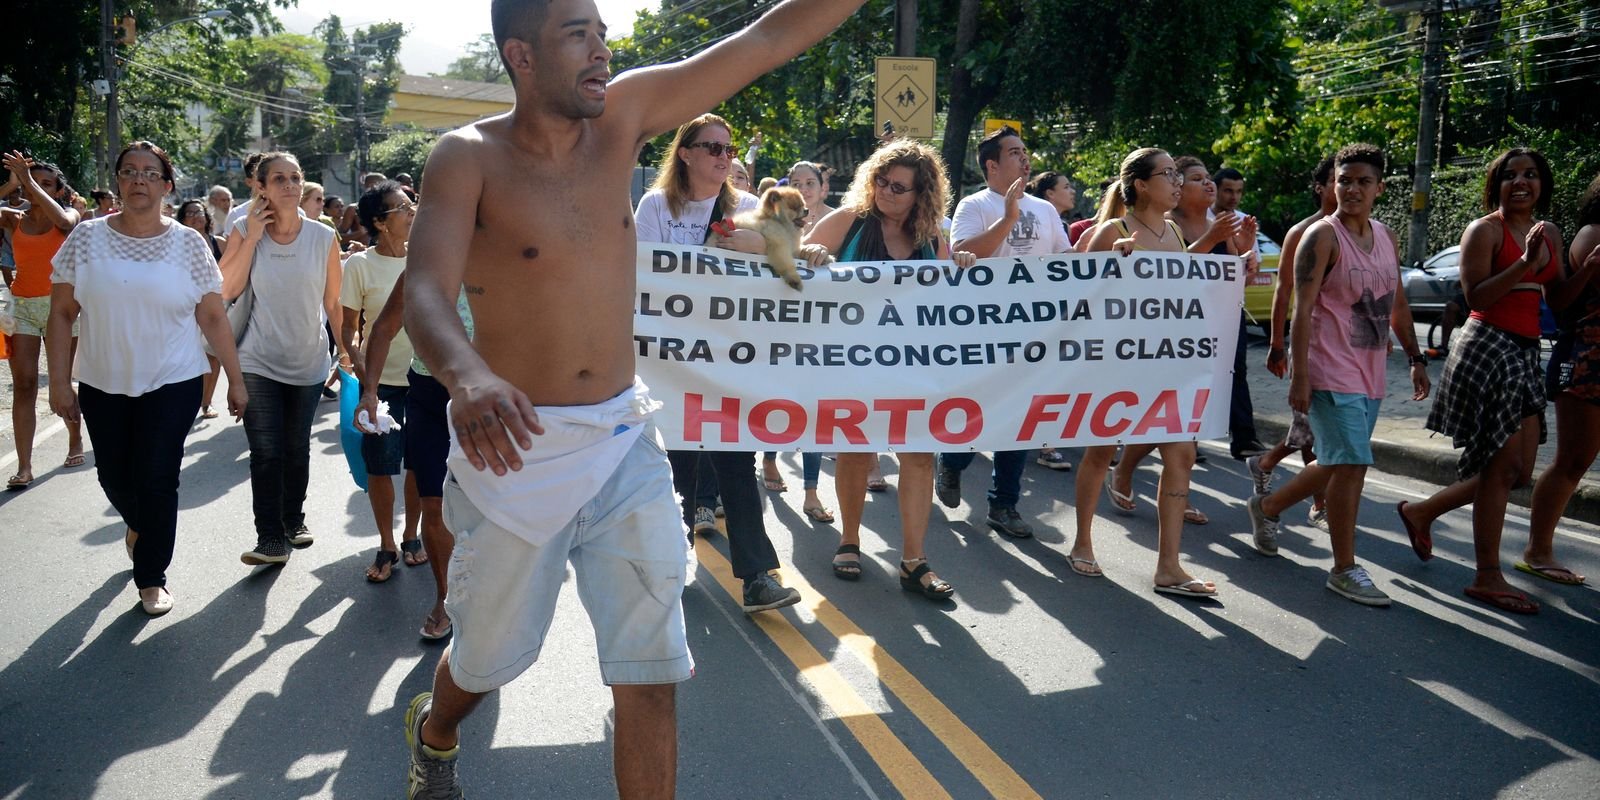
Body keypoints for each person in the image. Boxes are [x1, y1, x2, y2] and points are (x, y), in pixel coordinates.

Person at [398, 0, 870, 795]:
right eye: (576, 34)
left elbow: (770, 36)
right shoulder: (466, 156)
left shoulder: (626, 118)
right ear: (521, 55)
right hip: (513, 448)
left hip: (623, 438)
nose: (601, 50)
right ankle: (435, 729)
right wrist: (467, 375)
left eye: (602, 32)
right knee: (482, 662)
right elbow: (424, 291)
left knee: (652, 672)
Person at [45, 140, 248, 616]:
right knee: (114, 476)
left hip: (173, 381)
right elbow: (60, 313)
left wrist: (235, 381)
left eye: (150, 173)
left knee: (157, 479)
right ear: (117, 181)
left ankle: (151, 576)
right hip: (102, 380)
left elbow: (214, 317)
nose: (139, 180)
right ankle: (138, 524)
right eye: (129, 171)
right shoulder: (87, 238)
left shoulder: (188, 242)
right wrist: (58, 382)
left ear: (166, 185)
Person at [1246, 143, 1429, 607]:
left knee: (1338, 462)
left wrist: (1415, 356)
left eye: (1362, 181)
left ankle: (1268, 506)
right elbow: (1302, 310)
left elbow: (1397, 303)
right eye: (1343, 180)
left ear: (1379, 188)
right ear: (1333, 184)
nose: (1351, 189)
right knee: (1351, 465)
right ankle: (1345, 569)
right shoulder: (1321, 237)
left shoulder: (1385, 235)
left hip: (1369, 368)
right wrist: (1299, 376)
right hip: (1330, 367)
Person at [636, 113, 802, 615]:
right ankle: (670, 562)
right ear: (684, 153)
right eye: (712, 148)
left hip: (732, 353)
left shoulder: (749, 205)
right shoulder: (656, 206)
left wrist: (762, 245)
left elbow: (787, 261)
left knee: (736, 459)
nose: (724, 157)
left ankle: (757, 578)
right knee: (677, 464)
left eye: (728, 150)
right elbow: (642, 273)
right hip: (671, 358)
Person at [1398, 148, 1567, 615]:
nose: (1521, 183)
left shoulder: (1548, 232)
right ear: (1495, 185)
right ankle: (1487, 576)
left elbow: (1563, 295)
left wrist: (1587, 269)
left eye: (1530, 175)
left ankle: (1422, 512)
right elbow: (1479, 295)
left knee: (1517, 471)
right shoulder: (1484, 230)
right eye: (1510, 175)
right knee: (1500, 466)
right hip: (1489, 346)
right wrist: (1525, 264)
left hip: (1527, 352)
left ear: (1541, 184)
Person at [806, 138, 975, 599]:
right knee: (857, 452)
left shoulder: (933, 236)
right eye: (882, 180)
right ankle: (849, 540)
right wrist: (812, 257)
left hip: (915, 368)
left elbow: (949, 296)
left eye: (899, 187)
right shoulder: (848, 222)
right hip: (854, 366)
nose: (887, 191)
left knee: (919, 458)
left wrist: (959, 263)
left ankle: (914, 561)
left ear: (922, 194)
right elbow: (791, 266)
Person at [1071, 148, 1216, 594]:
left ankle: (1169, 566)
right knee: (1100, 453)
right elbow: (1074, 298)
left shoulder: (1173, 232)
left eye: (1178, 174)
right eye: (1168, 174)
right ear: (1140, 185)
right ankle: (1081, 542)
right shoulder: (1109, 232)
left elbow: (1188, 293)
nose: (1177, 181)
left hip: (1165, 364)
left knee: (1182, 455)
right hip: (1114, 365)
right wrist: (1109, 264)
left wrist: (1235, 266)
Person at [935, 126, 1071, 540]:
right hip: (985, 330)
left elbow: (1067, 262)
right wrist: (1009, 218)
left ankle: (1003, 503)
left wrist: (1112, 259)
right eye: (1014, 152)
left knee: (1021, 417)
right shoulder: (974, 205)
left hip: (1035, 329)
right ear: (992, 165)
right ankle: (952, 459)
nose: (1025, 159)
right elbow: (964, 255)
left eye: (1025, 151)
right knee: (982, 409)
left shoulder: (1046, 210)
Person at [217, 151, 343, 566]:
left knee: (297, 447)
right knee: (266, 451)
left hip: (308, 361)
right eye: (279, 179)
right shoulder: (242, 228)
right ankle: (270, 538)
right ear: (261, 187)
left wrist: (345, 349)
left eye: (295, 177)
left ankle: (294, 519)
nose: (289, 185)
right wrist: (252, 236)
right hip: (257, 361)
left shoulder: (323, 237)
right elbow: (226, 290)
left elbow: (334, 303)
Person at [343, 181, 426, 583]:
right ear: (379, 222)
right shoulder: (359, 265)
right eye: (401, 208)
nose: (411, 212)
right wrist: (363, 372)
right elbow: (350, 329)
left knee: (419, 465)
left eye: (412, 205)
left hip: (425, 380)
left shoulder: (428, 258)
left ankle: (412, 535)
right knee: (380, 467)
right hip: (382, 383)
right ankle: (386, 543)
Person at [1523, 171, 1600, 588]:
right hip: (1586, 360)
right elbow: (1563, 301)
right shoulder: (1592, 234)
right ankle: (1537, 549)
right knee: (1573, 460)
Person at [1252, 155, 1336, 527]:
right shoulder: (1304, 232)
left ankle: (1268, 462)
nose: (1347, 188)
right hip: (1311, 346)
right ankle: (1319, 500)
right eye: (1338, 180)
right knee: (1311, 426)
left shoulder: (1367, 231)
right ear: (1320, 187)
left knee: (1309, 429)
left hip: (1348, 350)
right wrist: (1277, 343)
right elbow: (1284, 290)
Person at [0, 151, 84, 489]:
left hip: (60, 306)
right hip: (22, 306)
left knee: (61, 381)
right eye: (33, 181)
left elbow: (64, 223)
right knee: (24, 386)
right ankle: (24, 466)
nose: (38, 188)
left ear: (59, 191)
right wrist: (9, 185)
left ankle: (75, 439)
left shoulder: (70, 213)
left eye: (48, 184)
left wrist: (30, 182)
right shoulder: (13, 218)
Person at [759, 158, 835, 520]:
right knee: (782, 404)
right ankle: (770, 458)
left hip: (823, 333)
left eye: (811, 183)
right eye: (797, 182)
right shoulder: (775, 222)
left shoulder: (843, 222)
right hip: (781, 326)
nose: (804, 189)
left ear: (824, 189)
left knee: (815, 410)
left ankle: (811, 492)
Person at [1205, 166, 1268, 459]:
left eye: (1239, 191)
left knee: (1236, 371)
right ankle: (1184, 441)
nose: (1233, 197)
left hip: (1231, 310)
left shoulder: (1245, 223)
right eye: (1228, 190)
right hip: (1196, 312)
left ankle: (1244, 438)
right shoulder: (1197, 217)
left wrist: (1246, 261)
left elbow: (1249, 274)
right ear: (1214, 188)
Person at [1026, 170, 1079, 472]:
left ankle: (1047, 443)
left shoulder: (1060, 225)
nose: (1072, 191)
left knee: (1048, 377)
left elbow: (1069, 262)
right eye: (1066, 186)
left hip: (1050, 314)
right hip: (1019, 314)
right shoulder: (1034, 217)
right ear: (1049, 193)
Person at [178, 199, 228, 420]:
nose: (195, 216)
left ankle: (206, 402)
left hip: (216, 308)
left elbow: (233, 274)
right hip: (185, 307)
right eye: (189, 213)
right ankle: (184, 402)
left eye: (199, 212)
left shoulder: (219, 243)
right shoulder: (175, 244)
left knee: (213, 356)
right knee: (185, 356)